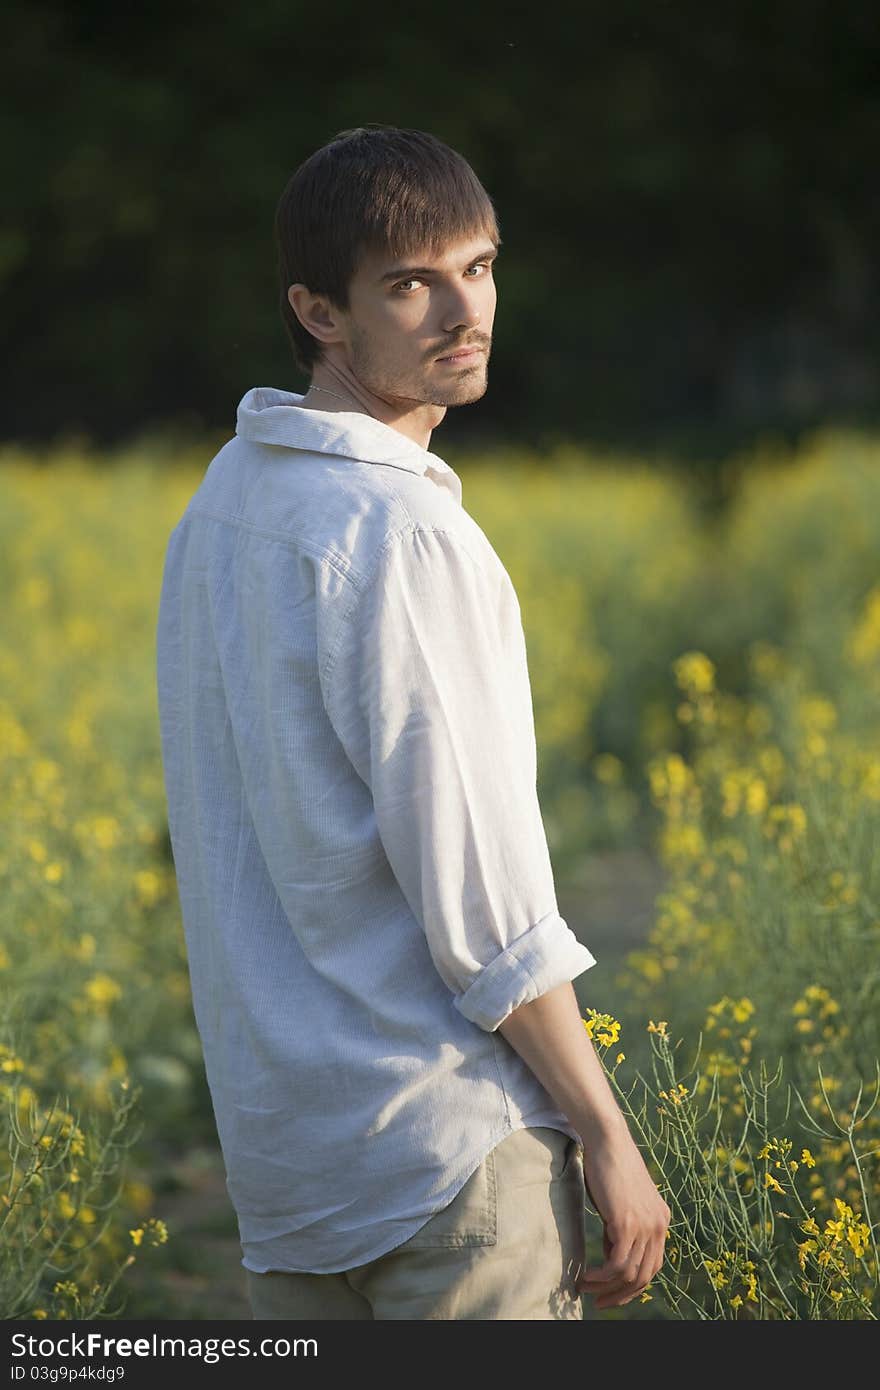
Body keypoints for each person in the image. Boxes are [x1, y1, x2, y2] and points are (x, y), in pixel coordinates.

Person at [155, 124, 670, 1322]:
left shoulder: (221, 507)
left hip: (291, 1176)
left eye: (478, 267)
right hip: (449, 1165)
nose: (462, 310)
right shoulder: (401, 533)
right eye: (409, 283)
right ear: (318, 312)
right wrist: (605, 1133)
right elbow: (481, 898)